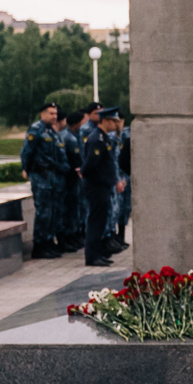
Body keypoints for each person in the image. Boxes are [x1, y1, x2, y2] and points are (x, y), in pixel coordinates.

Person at [20, 103, 73, 257]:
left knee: (52, 211)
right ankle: (40, 245)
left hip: (52, 176)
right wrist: (26, 169)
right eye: (51, 113)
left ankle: (49, 242)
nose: (54, 117)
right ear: (43, 114)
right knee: (44, 212)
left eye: (55, 114)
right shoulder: (36, 129)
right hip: (41, 176)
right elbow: (27, 151)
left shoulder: (52, 131)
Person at [75, 100, 119, 265]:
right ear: (105, 121)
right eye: (113, 121)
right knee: (95, 221)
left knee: (100, 222)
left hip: (103, 185)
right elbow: (91, 163)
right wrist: (84, 174)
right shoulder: (97, 139)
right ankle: (92, 257)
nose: (116, 124)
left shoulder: (103, 138)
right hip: (96, 186)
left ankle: (97, 254)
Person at [103, 107, 132, 249]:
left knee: (125, 207)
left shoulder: (128, 134)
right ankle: (112, 236)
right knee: (114, 208)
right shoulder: (110, 137)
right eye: (115, 121)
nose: (118, 124)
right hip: (115, 177)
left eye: (120, 121)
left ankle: (121, 235)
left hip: (126, 176)